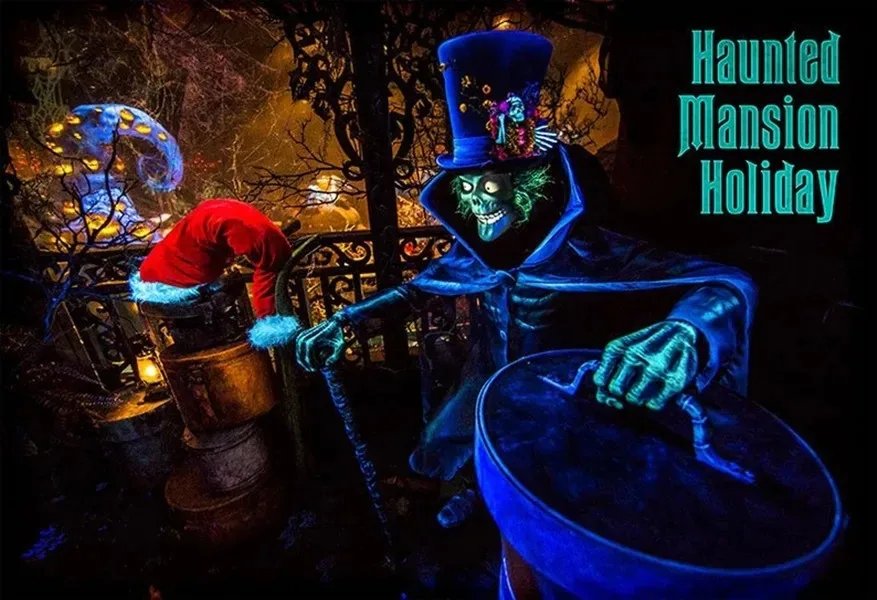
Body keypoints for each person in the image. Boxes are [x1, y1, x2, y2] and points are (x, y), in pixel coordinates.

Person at [257, 31, 757, 526]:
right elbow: (420, 289)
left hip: (563, 395)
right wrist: (345, 322)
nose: (475, 201)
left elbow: (724, 285)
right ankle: (474, 495)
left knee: (552, 498)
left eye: (489, 184)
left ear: (531, 184)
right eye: (465, 186)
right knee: (464, 450)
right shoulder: (479, 249)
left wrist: (686, 331)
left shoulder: (587, 247)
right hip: (486, 382)